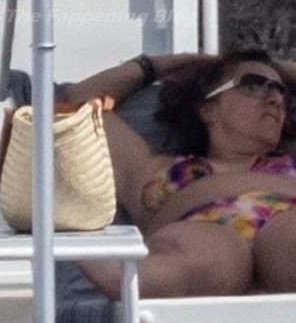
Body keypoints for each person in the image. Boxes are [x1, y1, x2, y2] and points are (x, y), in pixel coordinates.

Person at [67, 51, 296, 299]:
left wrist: (276, 65)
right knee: (206, 247)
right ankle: (134, 279)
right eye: (254, 85)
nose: (275, 99)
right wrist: (156, 65)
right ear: (208, 109)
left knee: (287, 233)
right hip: (203, 242)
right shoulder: (156, 171)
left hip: (286, 235)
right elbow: (77, 107)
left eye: (281, 93)